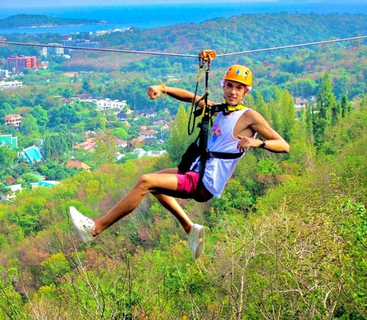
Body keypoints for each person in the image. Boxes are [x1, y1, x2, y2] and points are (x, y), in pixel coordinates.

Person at [70, 64, 290, 259]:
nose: (233, 92)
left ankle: (95, 229)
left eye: (239, 88)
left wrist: (257, 143)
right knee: (156, 184)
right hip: (198, 171)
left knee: (146, 181)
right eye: (230, 86)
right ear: (223, 86)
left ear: (246, 92)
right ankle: (189, 227)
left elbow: (283, 144)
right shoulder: (221, 111)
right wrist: (164, 89)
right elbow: (192, 98)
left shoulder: (250, 116)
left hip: (205, 182)